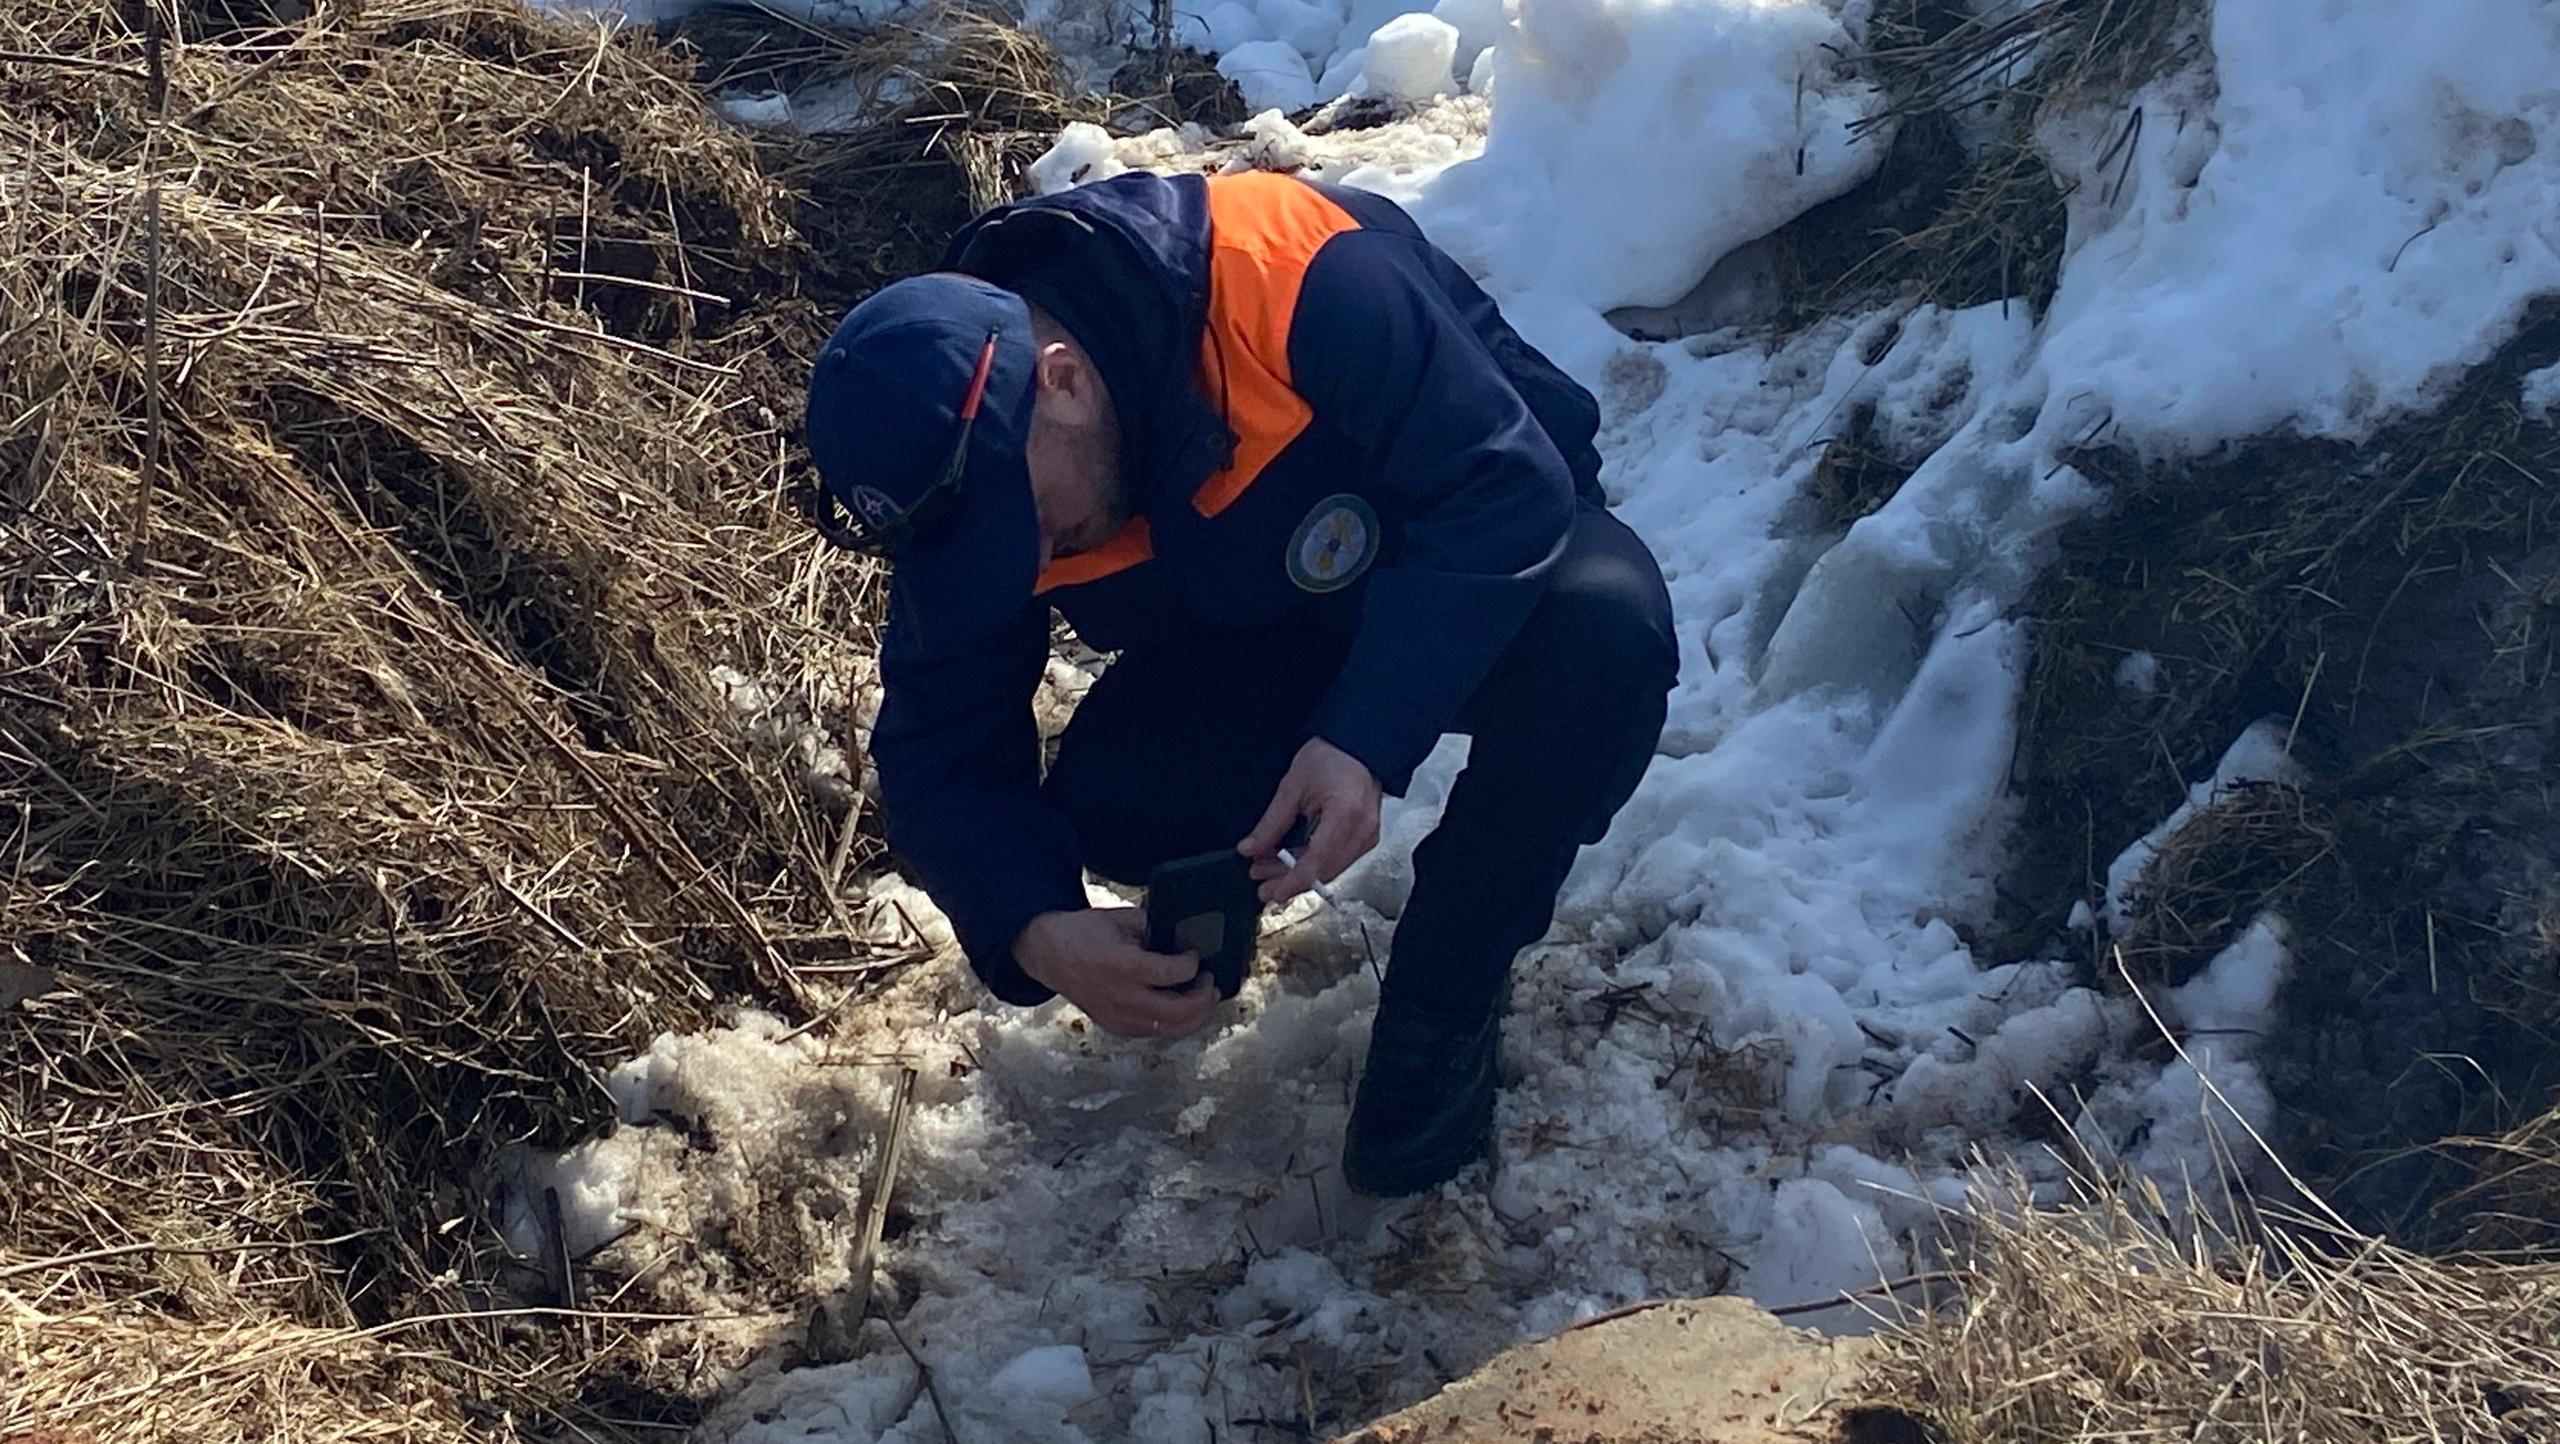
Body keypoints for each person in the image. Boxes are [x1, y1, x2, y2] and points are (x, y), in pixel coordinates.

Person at [802, 167, 1677, 1197]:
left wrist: (1364, 736)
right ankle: (1237, 886)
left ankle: (1444, 997)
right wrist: (1034, 926)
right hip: (1259, 614)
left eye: (1027, 519)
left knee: (1604, 644)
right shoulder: (965, 473)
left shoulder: (1284, 269)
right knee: (1117, 798)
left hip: (1484, 555)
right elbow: (938, 744)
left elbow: (1500, 486)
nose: (1027, 552)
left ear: (1065, 379)